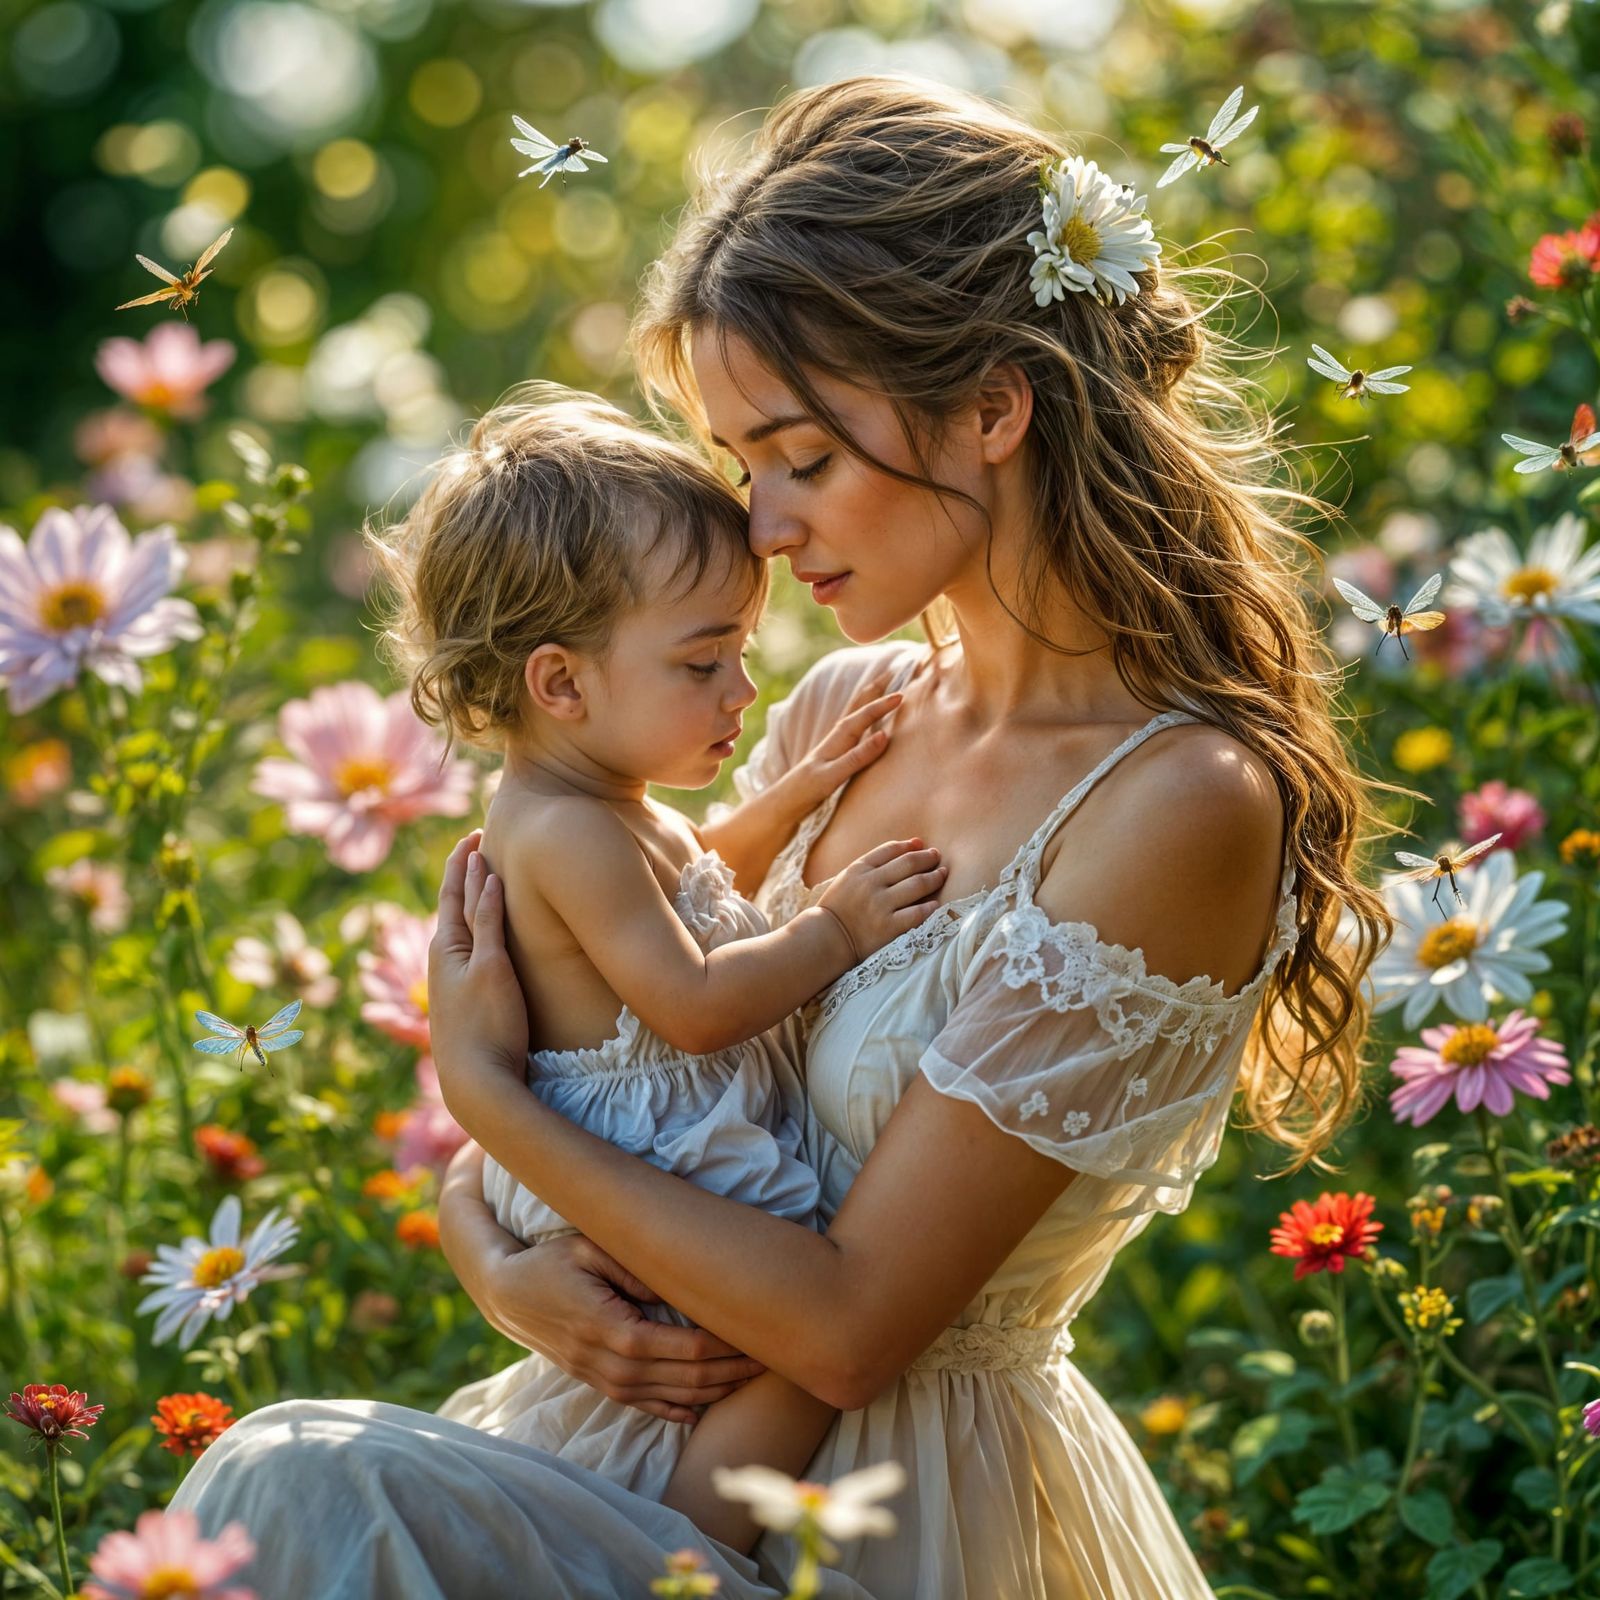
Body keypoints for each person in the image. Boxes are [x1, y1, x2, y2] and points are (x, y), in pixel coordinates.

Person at [172, 75, 1393, 1599]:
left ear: (993, 408)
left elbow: (851, 1325)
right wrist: (491, 1256)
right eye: (743, 464)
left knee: (295, 1483)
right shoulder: (847, 708)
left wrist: (481, 1098)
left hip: (898, 1512)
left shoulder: (1176, 803)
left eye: (801, 458)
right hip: (618, 1450)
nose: (759, 526)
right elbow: (627, 1071)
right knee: (280, 1503)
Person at [363, 384, 947, 1548]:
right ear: (561, 682)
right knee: (785, 1356)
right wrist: (834, 928)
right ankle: (679, 1553)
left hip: (637, 1140)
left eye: (741, 651)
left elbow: (696, 885)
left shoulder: (595, 796)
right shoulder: (568, 829)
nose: (740, 692)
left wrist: (794, 790)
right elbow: (687, 1000)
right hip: (654, 1148)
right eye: (702, 663)